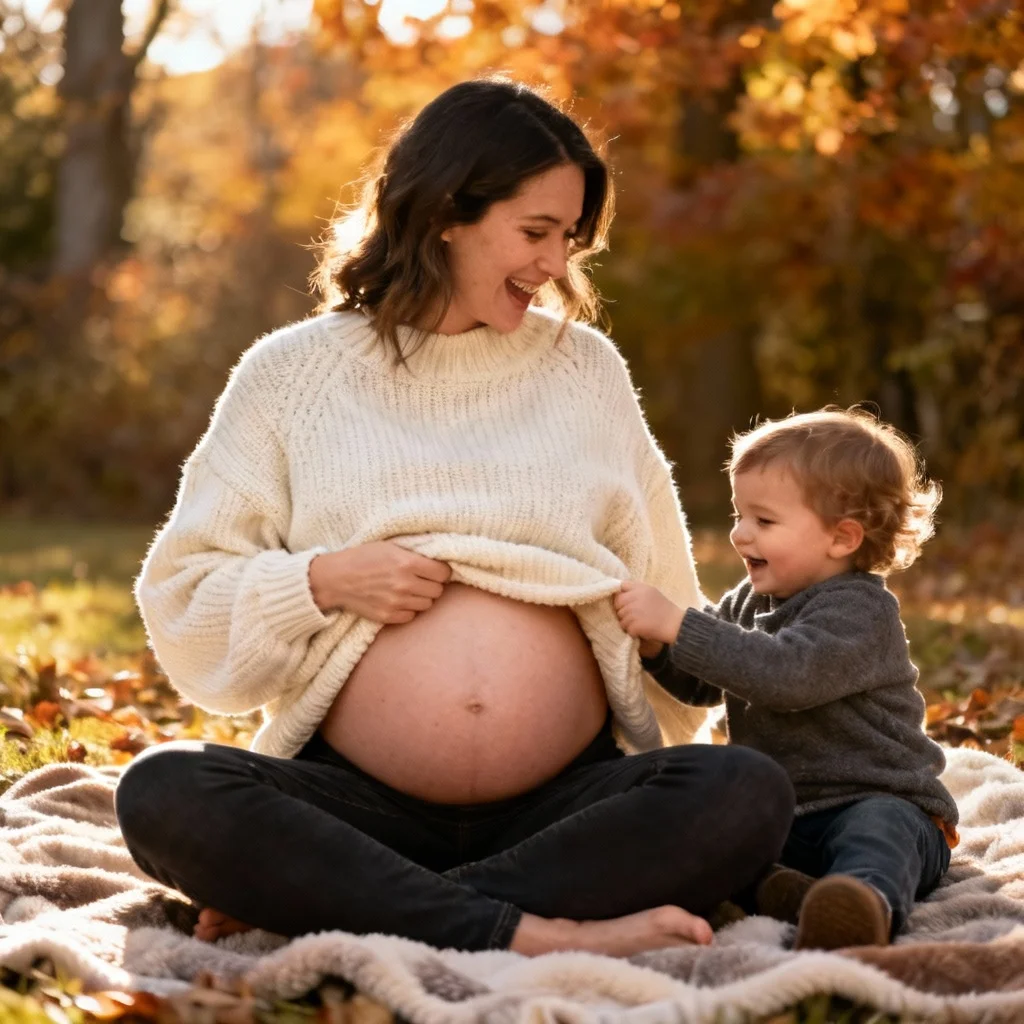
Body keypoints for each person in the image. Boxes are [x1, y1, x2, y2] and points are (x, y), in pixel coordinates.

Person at [114, 77, 795, 957]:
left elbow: (664, 593)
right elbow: (185, 601)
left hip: (562, 807)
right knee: (161, 791)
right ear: (444, 213)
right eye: (535, 232)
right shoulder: (291, 376)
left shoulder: (585, 372)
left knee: (745, 791)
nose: (556, 265)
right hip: (355, 807)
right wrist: (319, 582)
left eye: (570, 238)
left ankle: (358, 904)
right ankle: (532, 929)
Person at [614, 407, 959, 951]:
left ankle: (862, 906)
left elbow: (785, 675)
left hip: (878, 799)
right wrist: (661, 650)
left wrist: (681, 625)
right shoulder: (750, 600)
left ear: (842, 538)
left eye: (764, 521)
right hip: (785, 815)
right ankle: (783, 893)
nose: (738, 534)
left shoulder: (861, 611)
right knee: (715, 835)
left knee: (878, 834)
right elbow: (705, 684)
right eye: (739, 514)